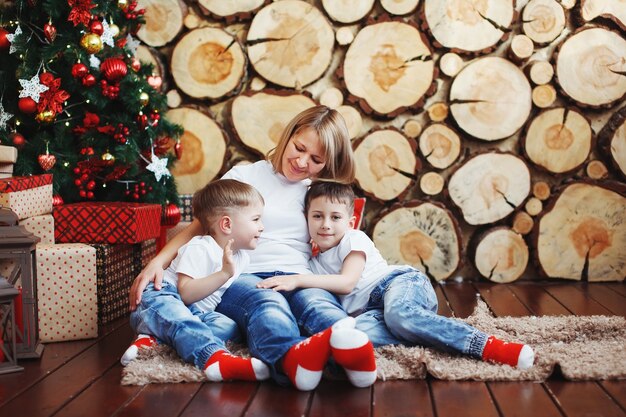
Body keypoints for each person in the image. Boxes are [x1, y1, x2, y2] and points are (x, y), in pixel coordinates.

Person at [129, 105, 376, 391]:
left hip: (299, 274)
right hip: (245, 274)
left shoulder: (317, 191)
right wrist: (157, 261)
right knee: (269, 306)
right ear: (290, 134)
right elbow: (201, 223)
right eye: (299, 147)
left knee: (319, 305)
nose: (302, 161)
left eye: (316, 159)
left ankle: (352, 351)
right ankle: (288, 361)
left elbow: (339, 233)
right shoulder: (246, 175)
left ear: (327, 163)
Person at [257, 181, 535, 370]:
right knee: (346, 336)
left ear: (350, 221)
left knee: (400, 315)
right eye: (317, 216)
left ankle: (486, 345)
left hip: (399, 285)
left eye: (335, 217)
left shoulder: (353, 239)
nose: (326, 225)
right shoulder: (314, 265)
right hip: (373, 312)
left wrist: (297, 280)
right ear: (306, 218)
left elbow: (347, 283)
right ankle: (424, 330)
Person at [122, 179, 270, 382]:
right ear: (226, 224)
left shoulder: (242, 258)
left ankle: (154, 339)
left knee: (229, 328)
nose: (262, 227)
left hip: (194, 312)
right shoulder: (201, 247)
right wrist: (224, 274)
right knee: (177, 315)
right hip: (161, 296)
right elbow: (186, 293)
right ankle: (213, 358)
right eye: (256, 219)